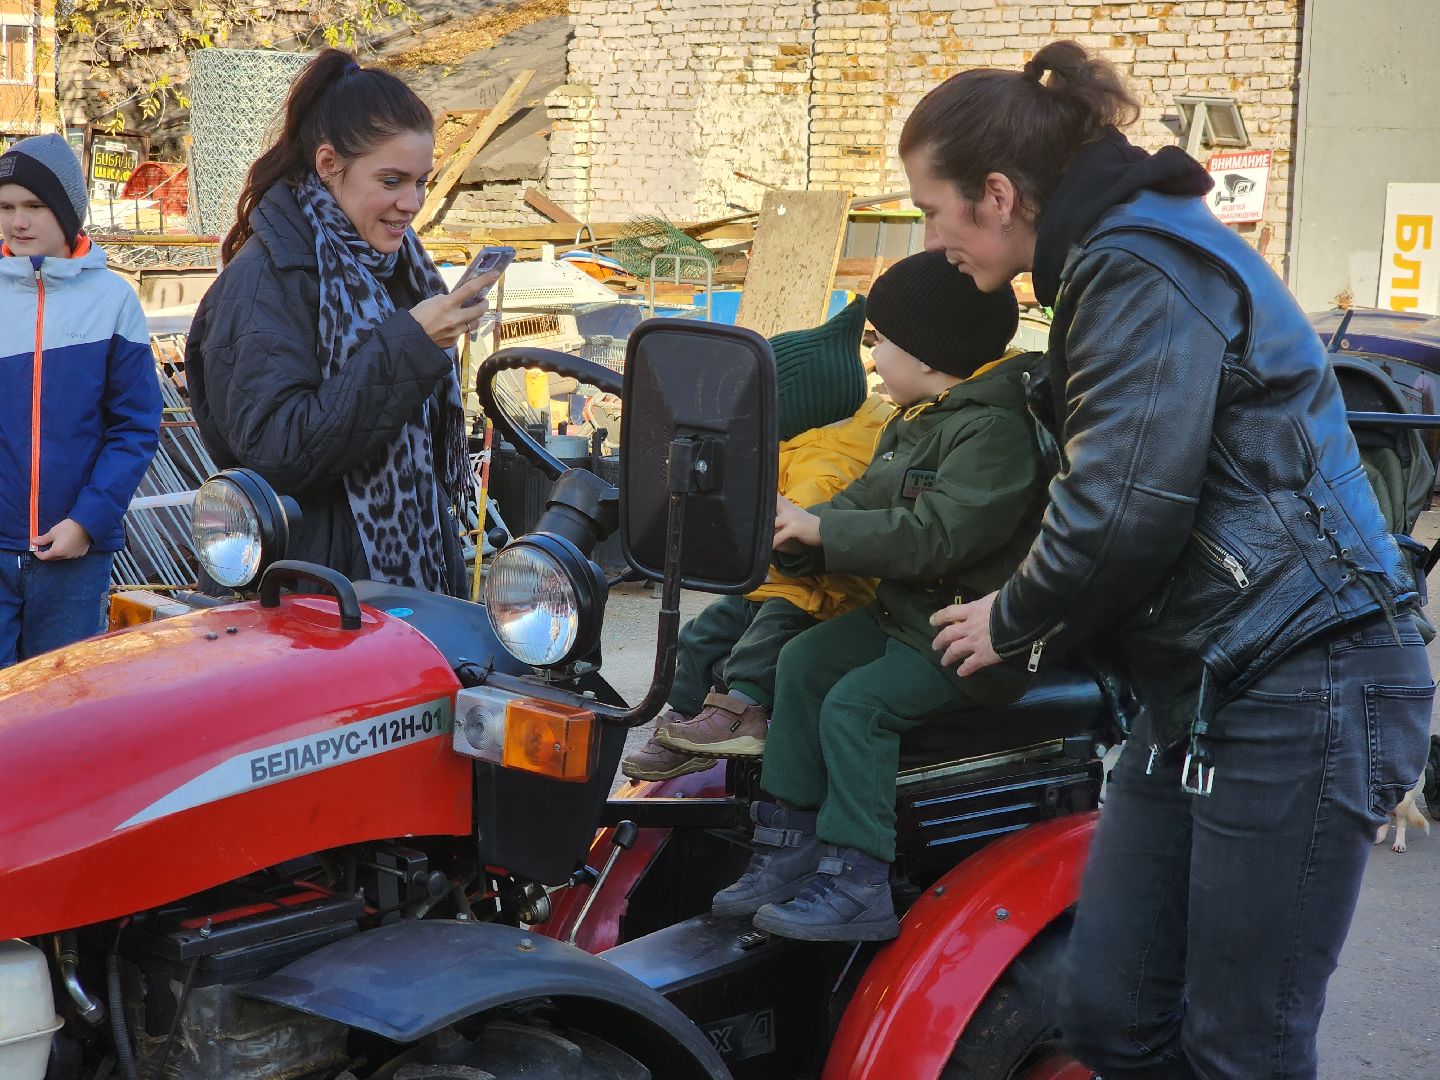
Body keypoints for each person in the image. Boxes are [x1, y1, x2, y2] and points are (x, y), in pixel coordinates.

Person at [916, 41, 1433, 1080]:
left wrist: (1008, 617)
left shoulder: (1139, 264)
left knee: (1243, 1042)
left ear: (1001, 195)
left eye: (932, 209)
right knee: (1110, 1015)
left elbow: (1121, 511)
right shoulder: (1116, 259)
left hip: (1307, 675)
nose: (931, 241)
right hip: (1200, 686)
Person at [703, 250, 1044, 942]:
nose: (874, 356)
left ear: (925, 353)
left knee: (858, 707)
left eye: (879, 341)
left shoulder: (993, 432)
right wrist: (793, 530)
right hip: (905, 620)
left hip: (964, 636)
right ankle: (790, 843)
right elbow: (861, 502)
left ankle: (858, 878)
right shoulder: (917, 418)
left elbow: (936, 536)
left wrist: (825, 529)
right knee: (802, 664)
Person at [187, 49, 495, 596]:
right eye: (392, 181)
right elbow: (277, 453)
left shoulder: (402, 268)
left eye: (422, 181)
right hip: (312, 599)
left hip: (396, 594)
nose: (412, 203)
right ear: (330, 165)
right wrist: (412, 345)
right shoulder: (265, 279)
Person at [622, 298, 889, 781]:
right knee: (700, 634)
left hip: (825, 593)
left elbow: (793, 526)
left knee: (765, 642)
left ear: (800, 406)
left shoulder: (833, 462)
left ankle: (742, 711)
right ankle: (683, 720)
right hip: (777, 584)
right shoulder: (800, 443)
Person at [0, 134, 161, 667]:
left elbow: (135, 427)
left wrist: (87, 522)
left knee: (63, 704)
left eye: (34, 206)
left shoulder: (113, 300)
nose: (17, 221)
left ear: (67, 211)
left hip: (75, 551)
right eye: (5, 207)